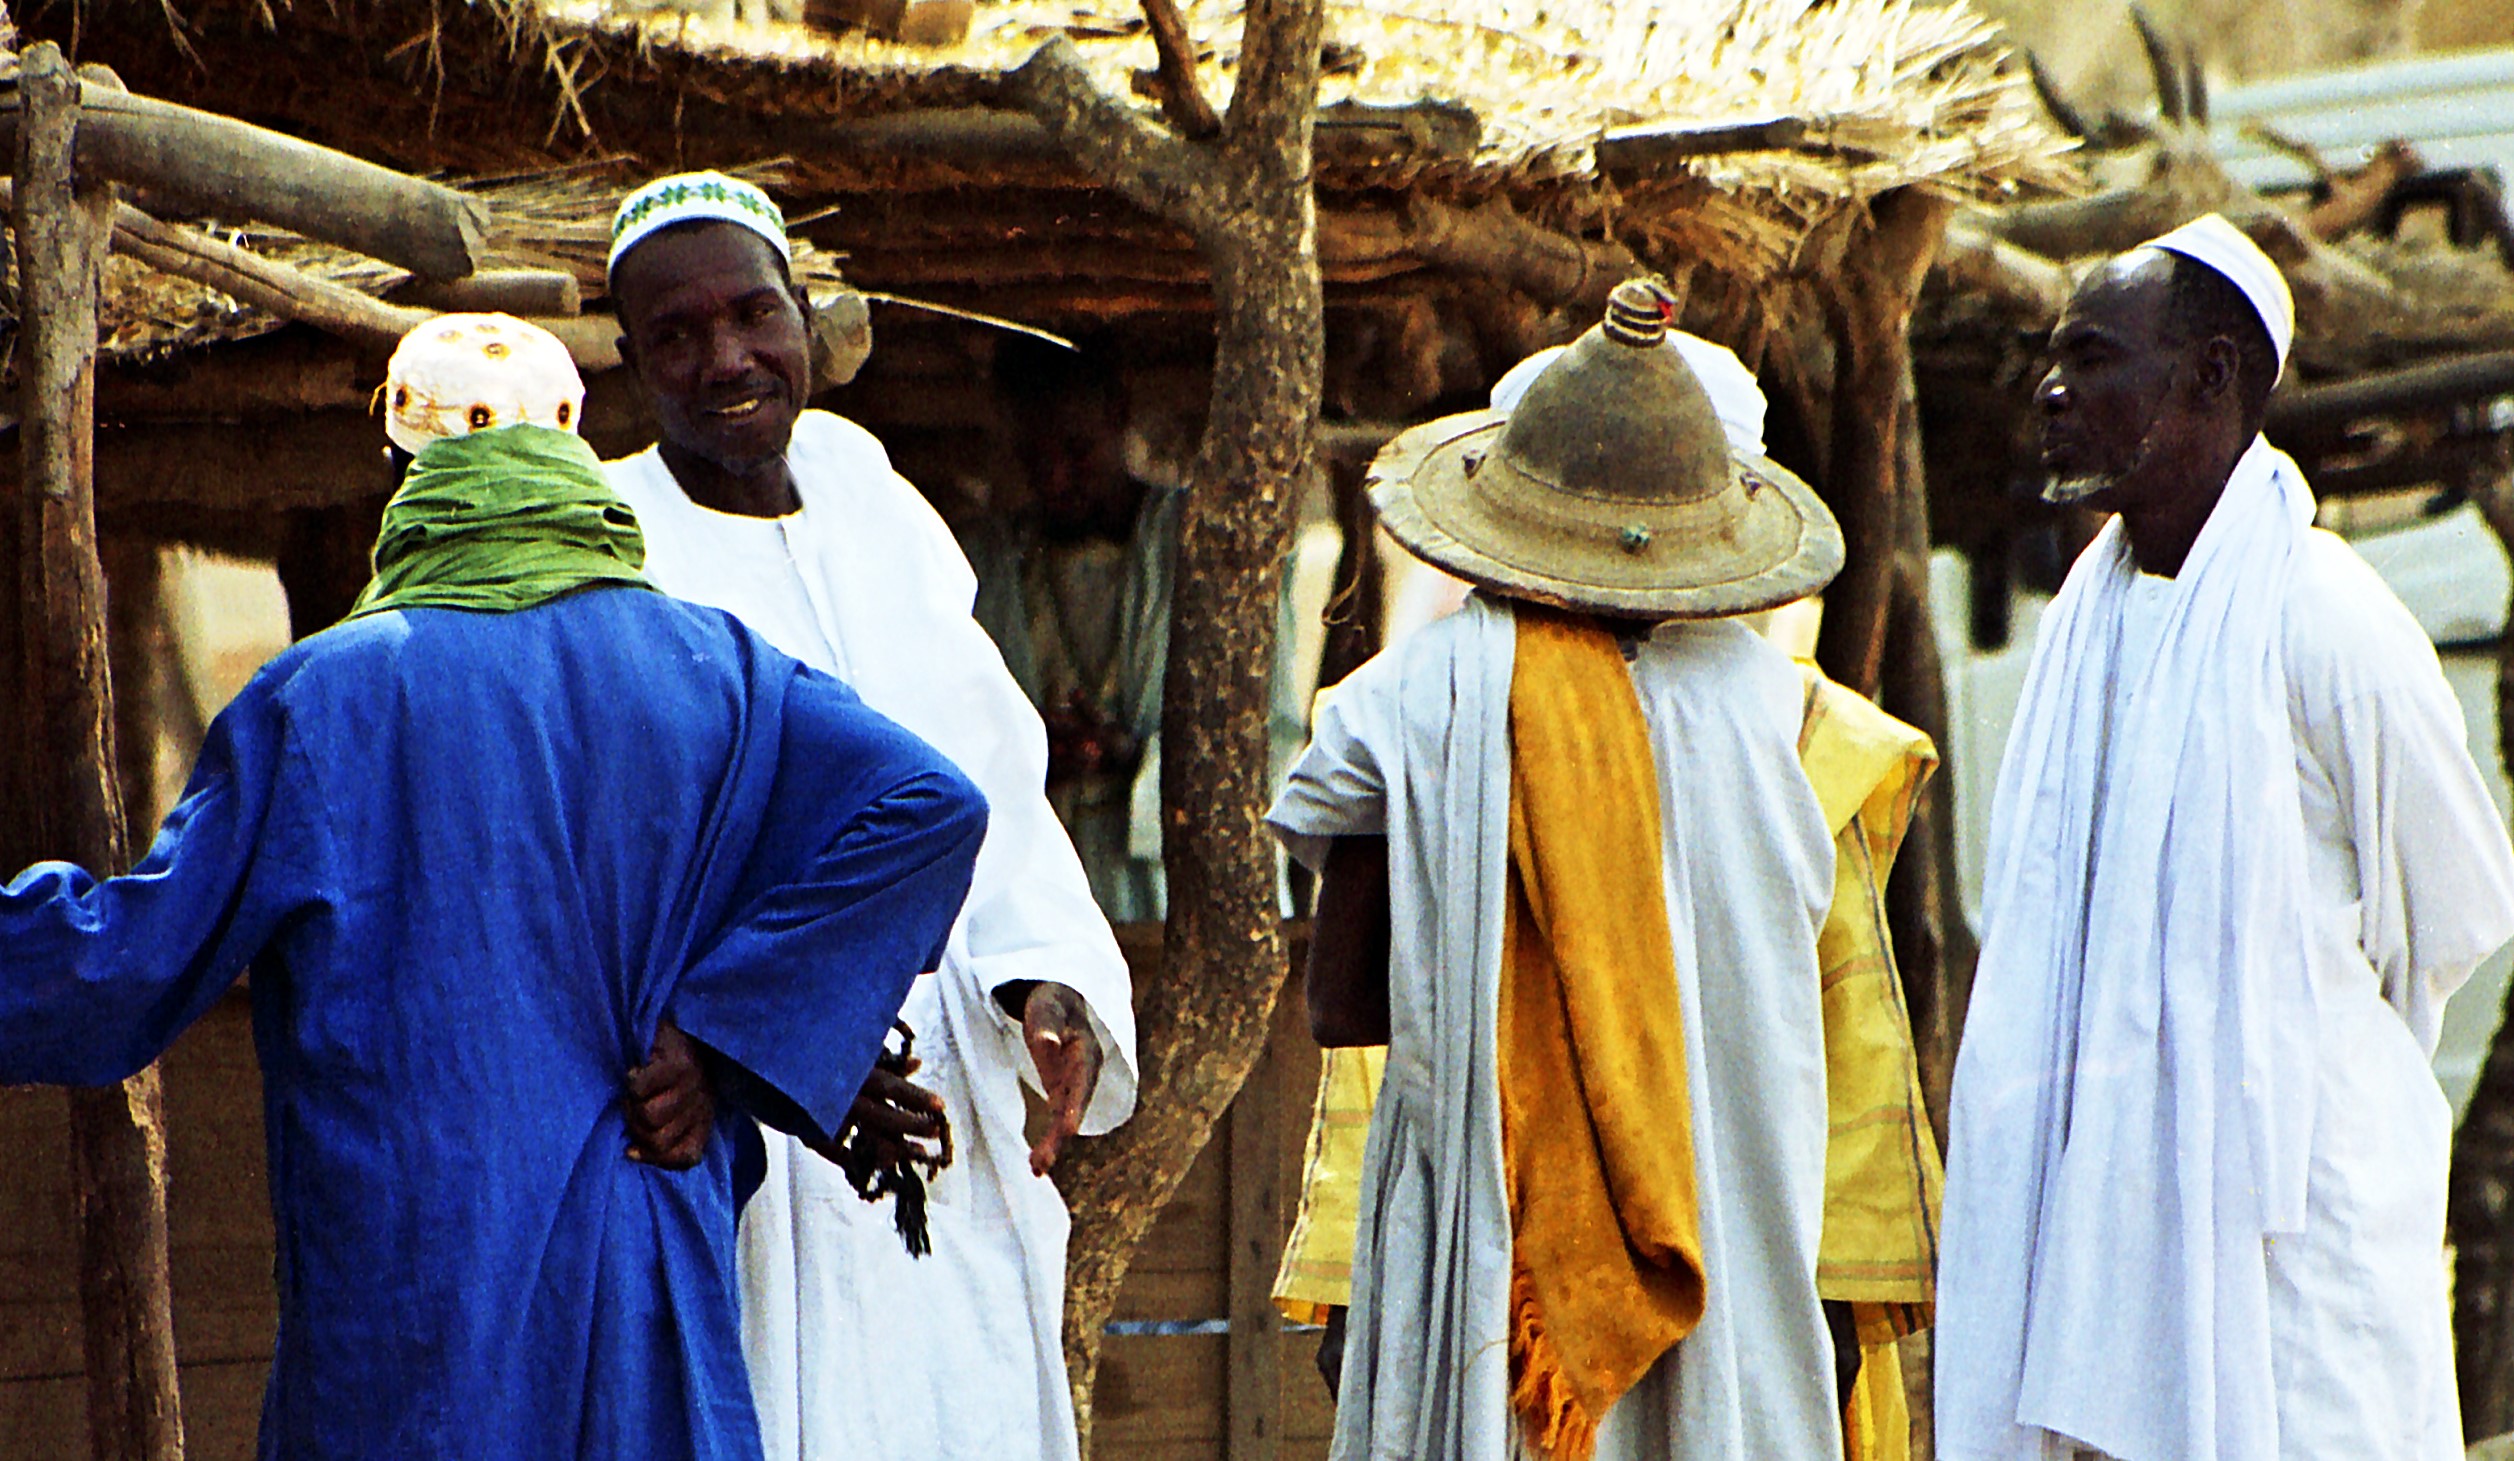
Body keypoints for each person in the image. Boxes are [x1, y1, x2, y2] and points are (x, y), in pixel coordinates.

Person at [0, 313, 988, 1460]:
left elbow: (125, 962)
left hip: (423, 1293)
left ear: (401, 471)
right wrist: (722, 1041)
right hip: (646, 1264)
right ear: (574, 461)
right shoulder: (726, 673)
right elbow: (932, 807)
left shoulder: (327, 699)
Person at [1272, 326, 1942, 1460]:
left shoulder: (1418, 704)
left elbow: (1345, 1009)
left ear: (1510, 505)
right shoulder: (1783, 725)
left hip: (1502, 1298)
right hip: (1732, 1278)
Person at [1935, 215, 2514, 1461]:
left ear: (2211, 377)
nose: (2051, 389)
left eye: (2093, 358)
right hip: (2112, 1243)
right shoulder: (2084, 633)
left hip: (2296, 1238)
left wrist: (2270, 1054)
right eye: (2055, 357)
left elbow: (2459, 904)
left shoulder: (2325, 618)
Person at [598, 172, 1137, 1461]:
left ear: (802, 316)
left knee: (971, 1395)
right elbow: (628, 853)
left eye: (751, 313)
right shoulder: (617, 541)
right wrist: (769, 1048)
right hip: (758, 1099)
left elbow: (989, 775)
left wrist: (1046, 979)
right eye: (677, 334)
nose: (725, 358)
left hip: (949, 1064)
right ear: (631, 361)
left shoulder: (870, 497)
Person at [966, 338, 1314, 921]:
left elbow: (1267, 736)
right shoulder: (990, 566)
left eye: (1077, 452)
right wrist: (1030, 751)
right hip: (1044, 894)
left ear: (1117, 416)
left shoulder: (1208, 547)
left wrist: (1139, 760)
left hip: (1174, 895)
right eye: (1036, 458)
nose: (1056, 480)